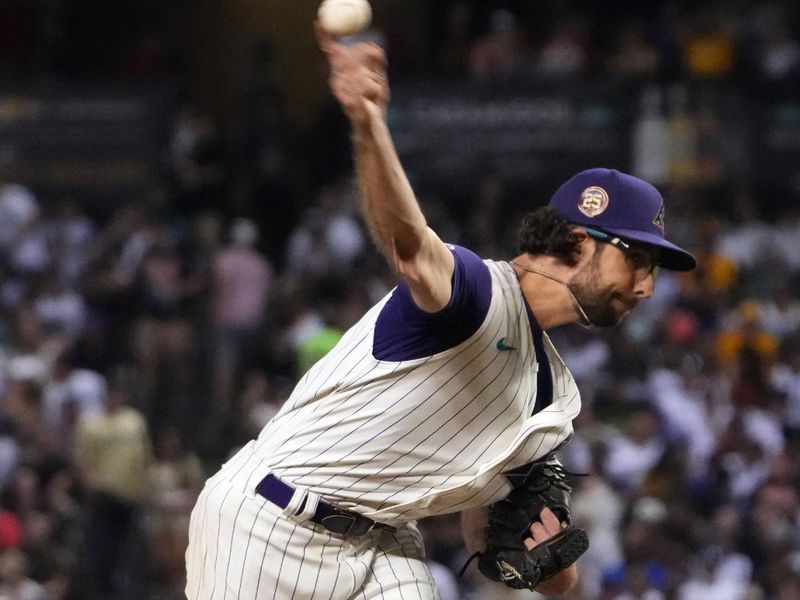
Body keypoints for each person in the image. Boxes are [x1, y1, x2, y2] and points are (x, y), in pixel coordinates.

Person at [184, 23, 697, 600]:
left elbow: (501, 537)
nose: (649, 287)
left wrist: (556, 569)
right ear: (581, 241)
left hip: (387, 548)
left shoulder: (555, 398)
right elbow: (408, 243)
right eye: (641, 261)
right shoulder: (477, 292)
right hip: (268, 523)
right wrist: (368, 123)